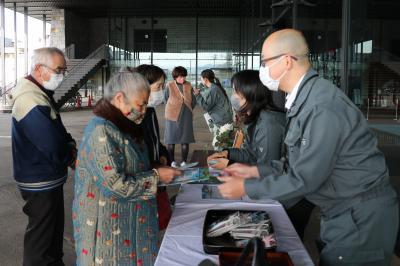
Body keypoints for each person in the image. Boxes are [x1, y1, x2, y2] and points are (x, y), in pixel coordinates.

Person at [218, 29, 398, 266]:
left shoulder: (320, 106)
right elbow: (296, 162)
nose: (262, 70)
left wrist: (246, 186)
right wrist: (255, 171)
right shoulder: (305, 98)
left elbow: (305, 179)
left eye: (264, 62)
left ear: (286, 61)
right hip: (342, 211)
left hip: (359, 216)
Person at [72, 69, 181, 266]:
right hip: (109, 233)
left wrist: (156, 165)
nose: (144, 110)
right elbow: (115, 184)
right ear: (120, 98)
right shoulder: (101, 130)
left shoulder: (125, 124)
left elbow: (135, 163)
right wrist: (156, 177)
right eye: (141, 104)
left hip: (132, 225)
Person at [10, 47, 76, 266]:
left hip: (47, 177)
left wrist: (68, 143)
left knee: (52, 237)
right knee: (41, 243)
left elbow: (56, 131)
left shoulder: (39, 94)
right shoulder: (30, 99)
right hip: (39, 179)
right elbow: (50, 143)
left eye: (64, 70)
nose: (62, 75)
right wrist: (70, 154)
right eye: (59, 70)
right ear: (39, 69)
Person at [207, 69, 285, 170]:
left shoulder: (269, 125)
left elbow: (268, 171)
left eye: (235, 91)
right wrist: (227, 153)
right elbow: (250, 154)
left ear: (250, 92)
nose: (233, 96)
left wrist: (229, 165)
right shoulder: (254, 118)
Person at [133, 64, 172, 230]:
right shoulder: (132, 116)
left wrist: (162, 155)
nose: (161, 91)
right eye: (158, 87)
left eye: (163, 86)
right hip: (143, 184)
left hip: (156, 180)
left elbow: (155, 141)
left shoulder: (150, 112)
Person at [164, 66, 196, 167]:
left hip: (186, 115)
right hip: (172, 115)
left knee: (185, 139)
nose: (183, 79)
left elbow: (193, 101)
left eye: (184, 77)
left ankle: (183, 162)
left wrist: (188, 108)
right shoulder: (169, 85)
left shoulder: (189, 85)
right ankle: (172, 161)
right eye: (180, 77)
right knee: (171, 139)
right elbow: (166, 99)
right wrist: (172, 108)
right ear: (175, 76)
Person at [194, 69, 233, 137]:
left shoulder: (213, 89)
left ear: (205, 79)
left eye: (201, 79)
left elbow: (207, 107)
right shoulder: (214, 87)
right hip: (223, 119)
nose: (201, 80)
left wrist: (197, 95)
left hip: (222, 121)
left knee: (222, 144)